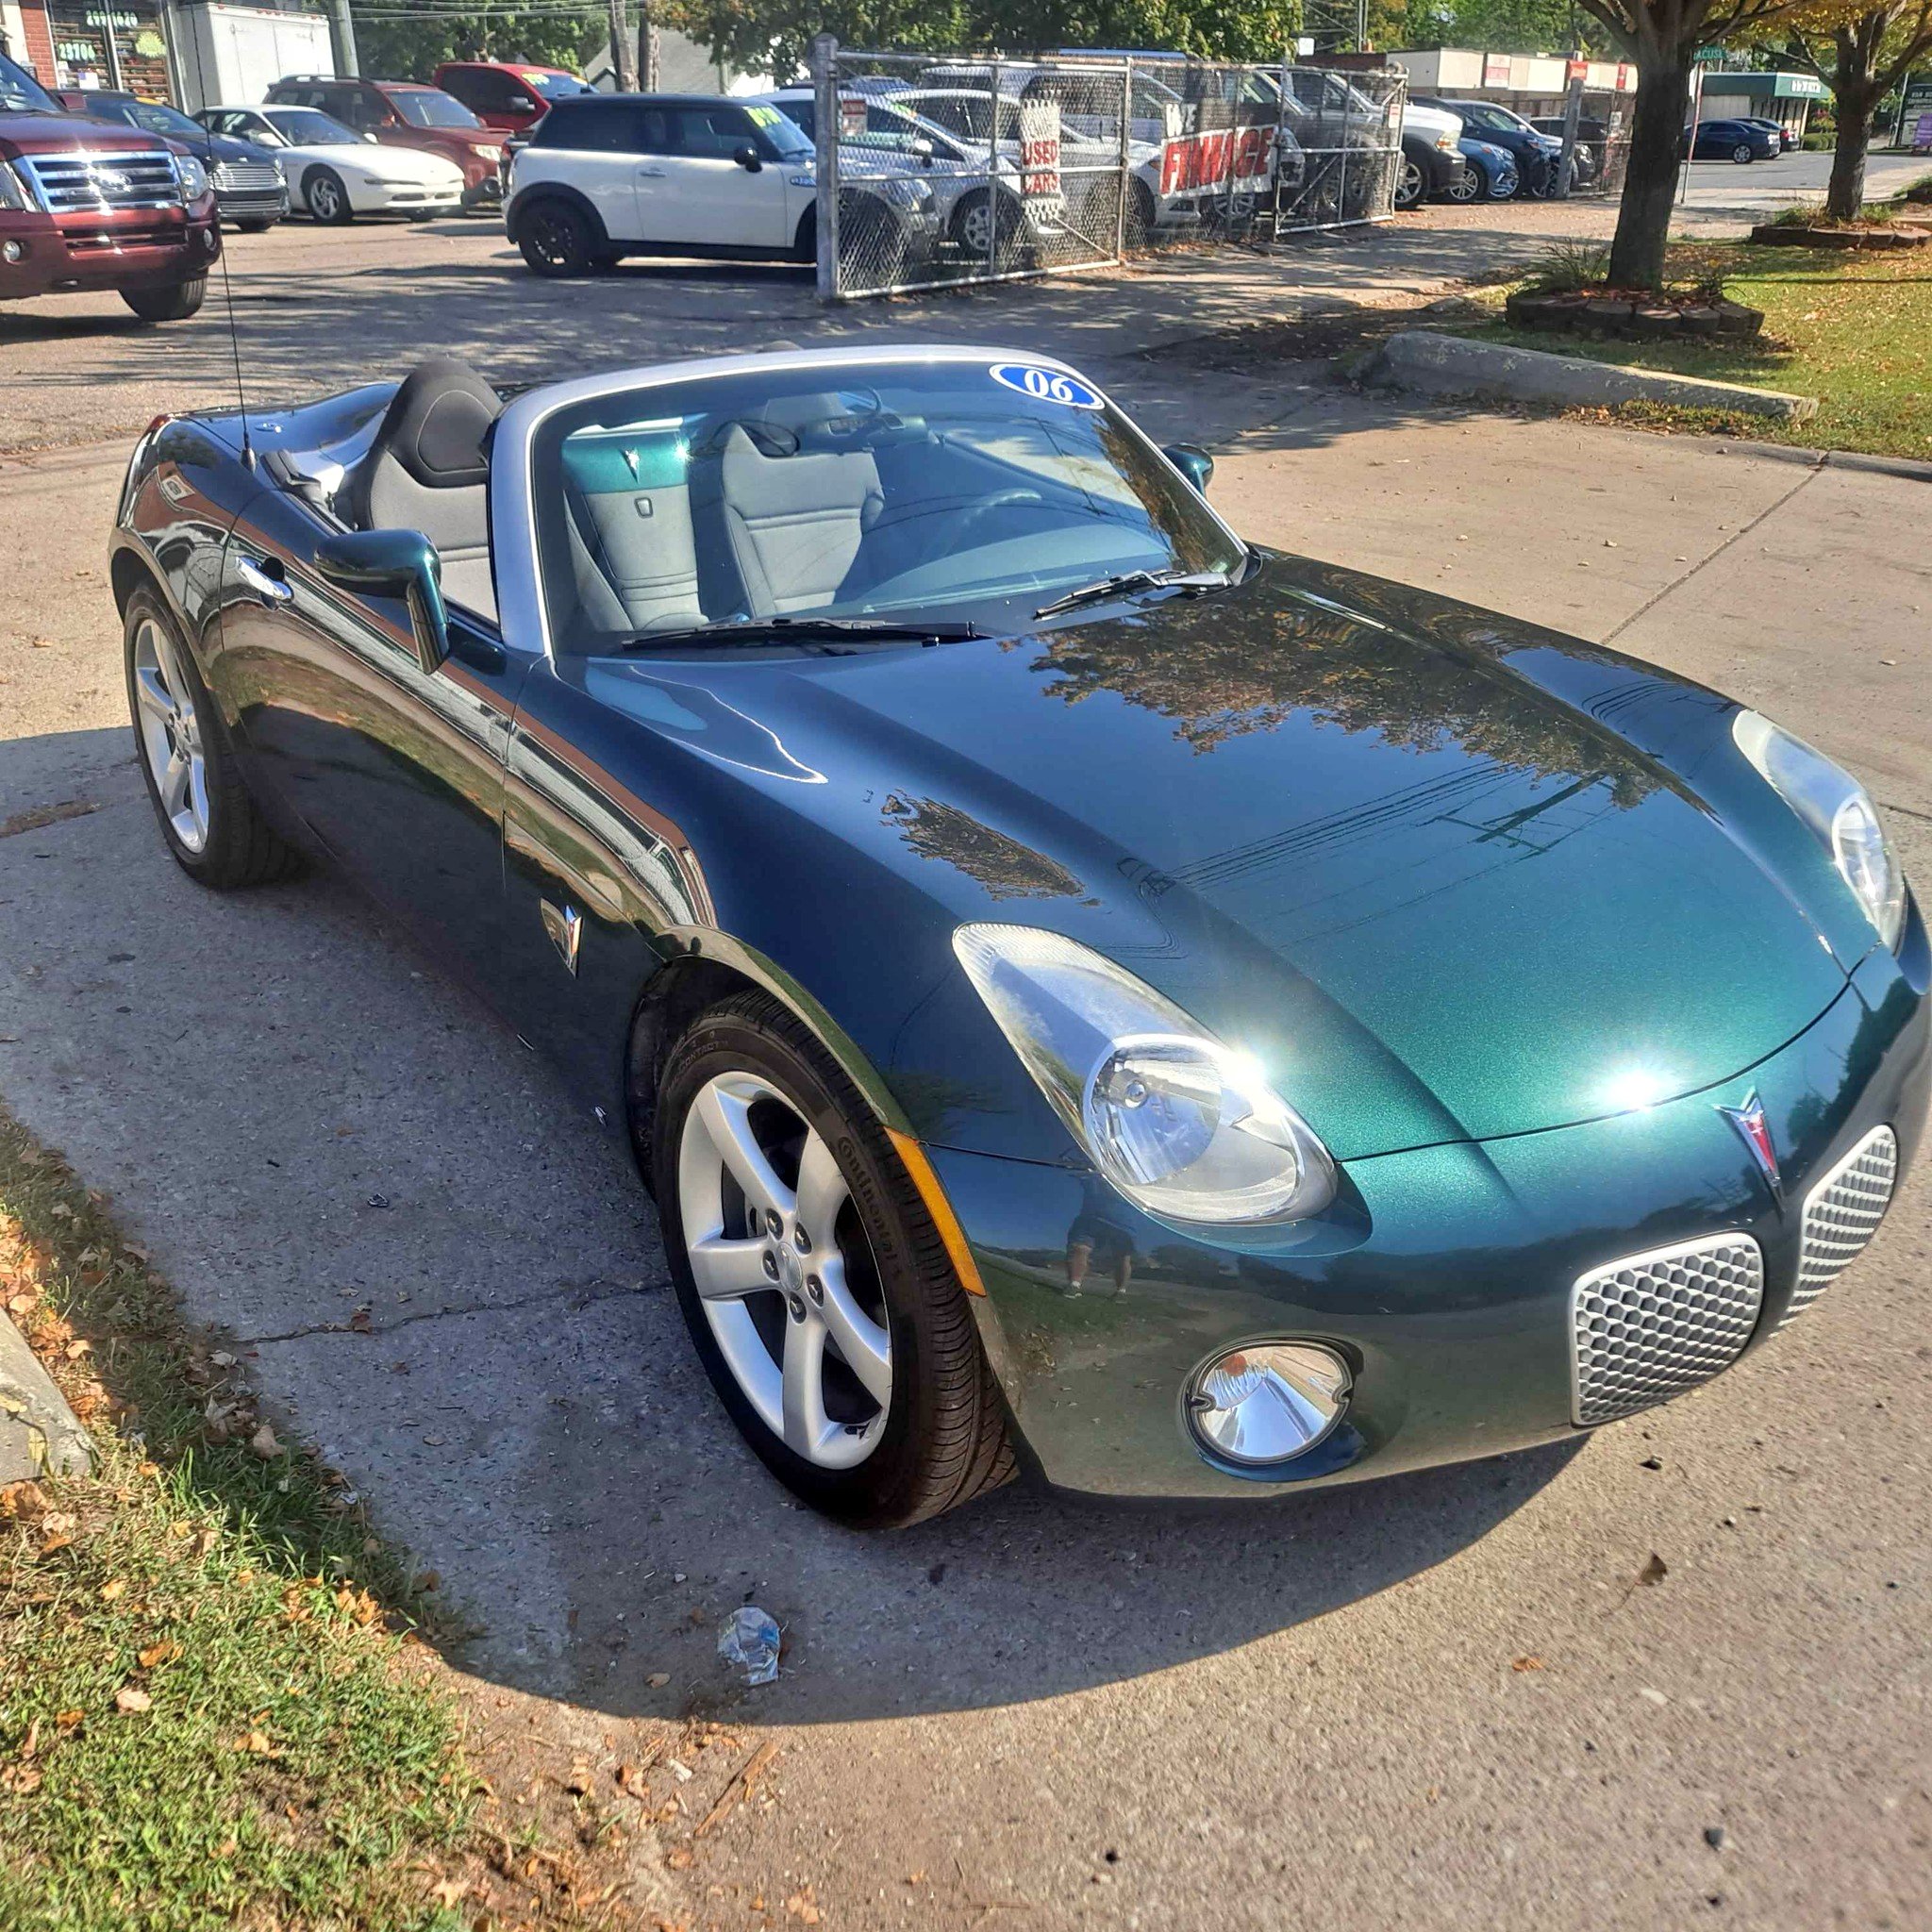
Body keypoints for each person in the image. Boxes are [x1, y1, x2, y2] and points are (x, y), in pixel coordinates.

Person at [1064, 1174, 1136, 1297]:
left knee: (1123, 1257)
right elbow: (1079, 1173)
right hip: (1091, 1218)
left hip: (1122, 1224)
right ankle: (1074, 1285)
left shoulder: (1132, 1179)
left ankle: (1121, 1292)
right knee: (1080, 1248)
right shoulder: (1094, 1175)